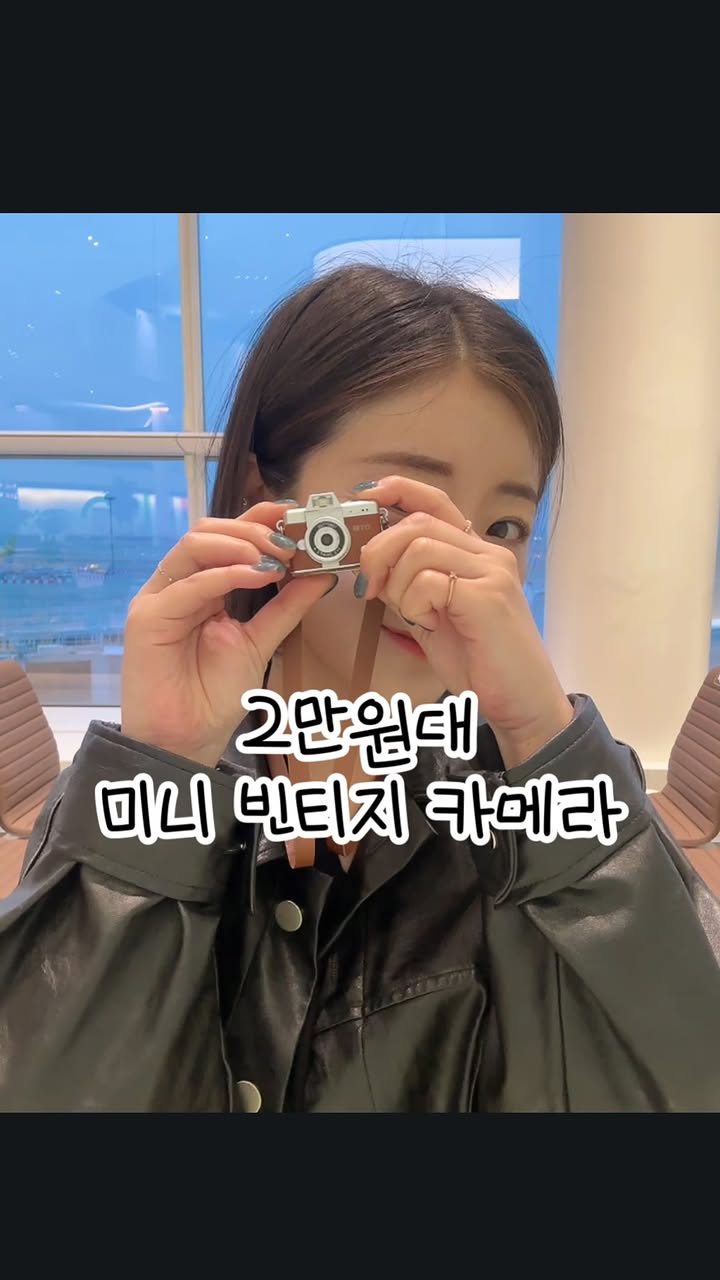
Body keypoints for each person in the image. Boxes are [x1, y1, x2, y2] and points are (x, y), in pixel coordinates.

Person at [1, 262, 719, 1112]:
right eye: (401, 511)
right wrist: (163, 764)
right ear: (267, 500)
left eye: (502, 527)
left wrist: (541, 736)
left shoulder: (554, 811)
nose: (452, 569)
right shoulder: (142, 788)